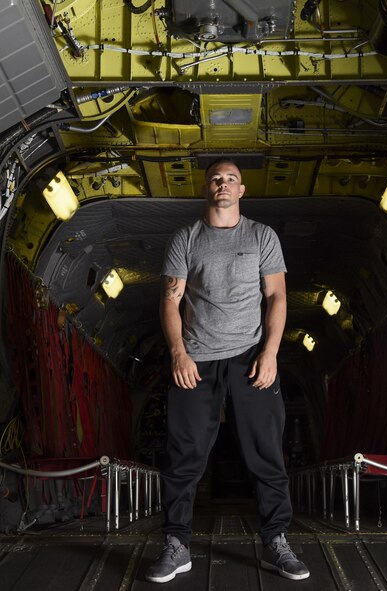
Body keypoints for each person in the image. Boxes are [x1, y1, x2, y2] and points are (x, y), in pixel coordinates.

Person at [145, 158, 310, 583]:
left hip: (251, 357)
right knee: (184, 455)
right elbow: (170, 300)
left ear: (242, 190)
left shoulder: (261, 236)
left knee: (267, 454)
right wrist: (178, 353)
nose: (223, 184)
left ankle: (276, 542)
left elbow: (276, 297)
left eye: (231, 179)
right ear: (206, 188)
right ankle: (177, 545)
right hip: (196, 361)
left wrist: (271, 353)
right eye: (216, 178)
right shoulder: (186, 238)